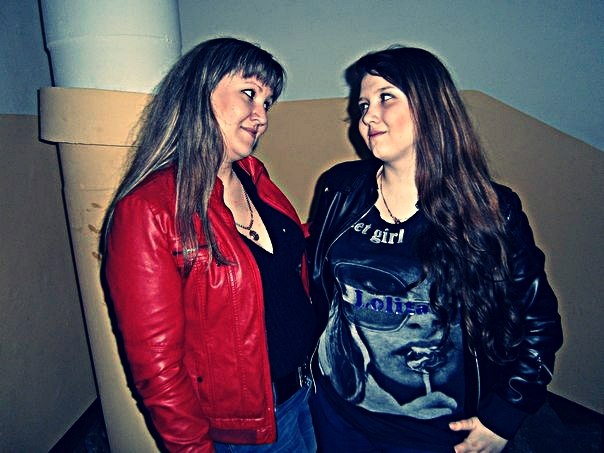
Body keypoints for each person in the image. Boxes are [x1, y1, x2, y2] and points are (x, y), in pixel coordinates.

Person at [307, 46, 563, 453]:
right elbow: (321, 290)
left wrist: (506, 414)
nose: (367, 117)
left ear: (429, 106)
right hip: (339, 414)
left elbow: (537, 321)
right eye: (363, 105)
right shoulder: (339, 188)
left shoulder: (490, 209)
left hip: (438, 430)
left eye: (386, 97)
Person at [103, 37, 318, 452]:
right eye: (249, 94)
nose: (262, 117)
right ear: (200, 93)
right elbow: (158, 368)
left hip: (308, 392)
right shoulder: (149, 210)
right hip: (250, 430)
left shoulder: (255, 178)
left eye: (268, 103)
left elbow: (274, 267)